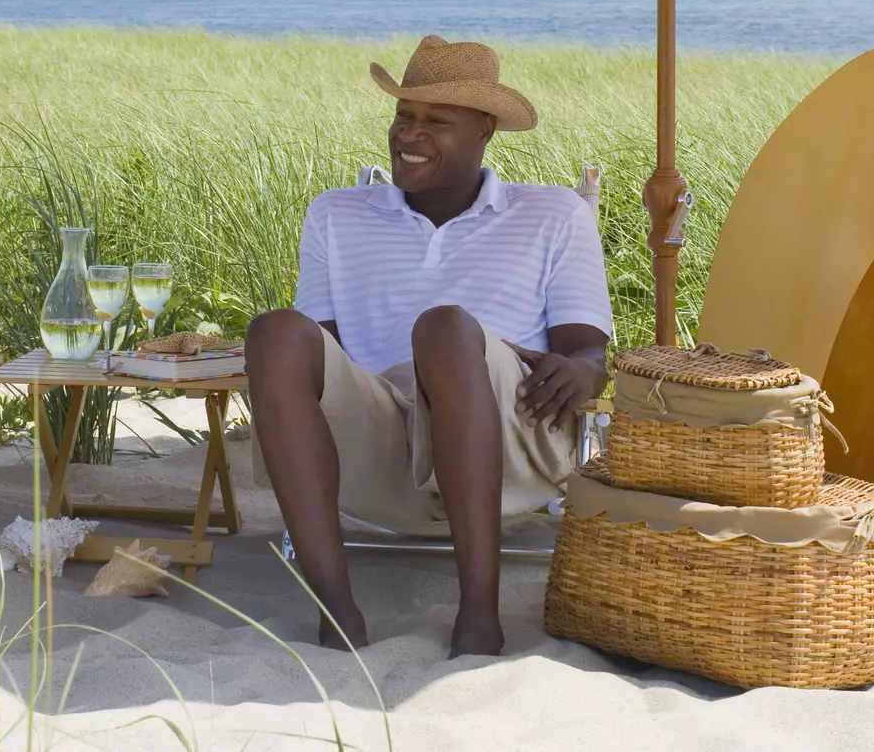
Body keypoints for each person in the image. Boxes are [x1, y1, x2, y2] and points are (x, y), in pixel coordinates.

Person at [247, 36, 613, 658]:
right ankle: (336, 613)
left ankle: (479, 615)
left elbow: (587, 353)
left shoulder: (552, 214)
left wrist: (581, 374)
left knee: (444, 328)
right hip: (382, 445)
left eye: (436, 121)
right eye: (403, 117)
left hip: (508, 432)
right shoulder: (337, 214)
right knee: (274, 330)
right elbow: (314, 360)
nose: (409, 136)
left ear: (485, 131)